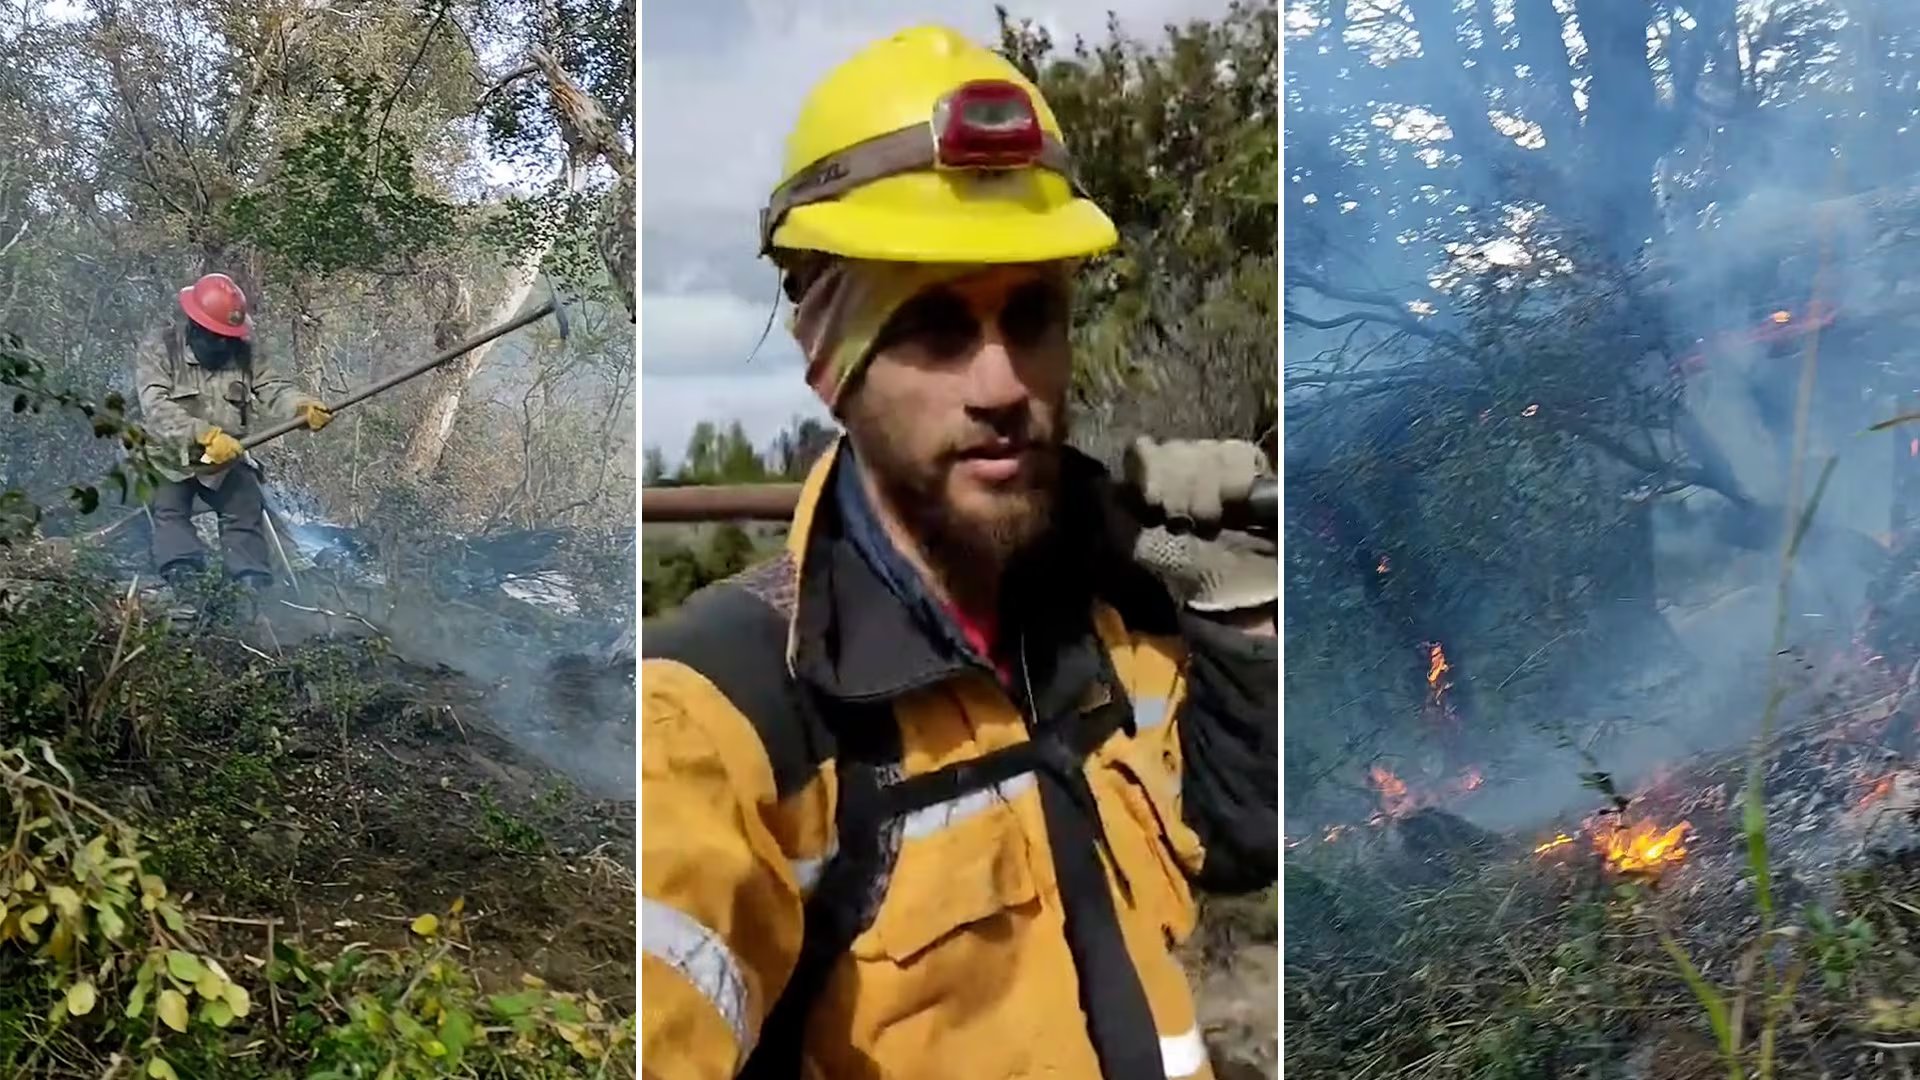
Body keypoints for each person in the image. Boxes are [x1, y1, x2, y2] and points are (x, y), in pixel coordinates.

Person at [640, 26, 1276, 1080]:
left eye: (1031, 316)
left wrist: (1239, 615)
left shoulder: (1111, 606)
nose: (1001, 384)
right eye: (936, 328)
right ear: (827, 360)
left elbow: (1238, 842)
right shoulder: (722, 724)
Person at [134, 272, 331, 590]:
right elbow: (155, 406)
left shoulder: (244, 350)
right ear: (195, 326)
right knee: (169, 510)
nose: (224, 343)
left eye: (229, 336)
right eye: (216, 336)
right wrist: (203, 434)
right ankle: (187, 584)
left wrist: (300, 406)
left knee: (245, 506)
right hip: (168, 457)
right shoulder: (160, 348)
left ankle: (251, 587)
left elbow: (273, 387)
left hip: (227, 459)